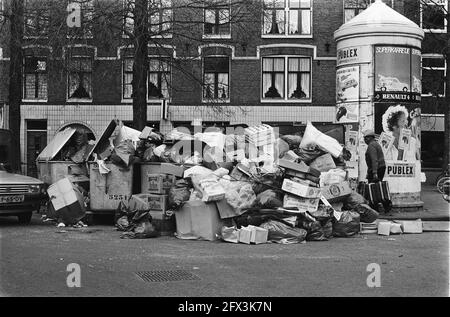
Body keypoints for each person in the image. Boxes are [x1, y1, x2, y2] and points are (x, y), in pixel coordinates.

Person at [363, 130, 391, 213]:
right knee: (378, 187)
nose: (365, 140)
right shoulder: (375, 144)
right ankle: (383, 205)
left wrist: (374, 173)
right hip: (379, 168)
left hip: (377, 169)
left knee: (374, 189)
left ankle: (379, 206)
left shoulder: (371, 146)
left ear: (370, 138)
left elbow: (374, 160)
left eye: (366, 138)